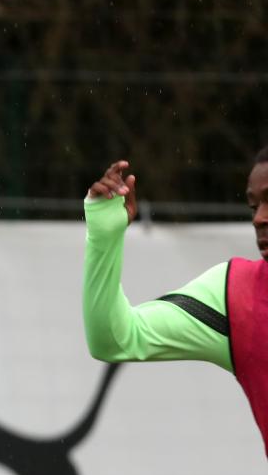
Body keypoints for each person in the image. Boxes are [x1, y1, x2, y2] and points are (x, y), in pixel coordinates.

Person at [82, 149, 268, 455]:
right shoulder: (235, 294)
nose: (259, 218)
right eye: (253, 205)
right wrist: (104, 236)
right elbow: (114, 340)